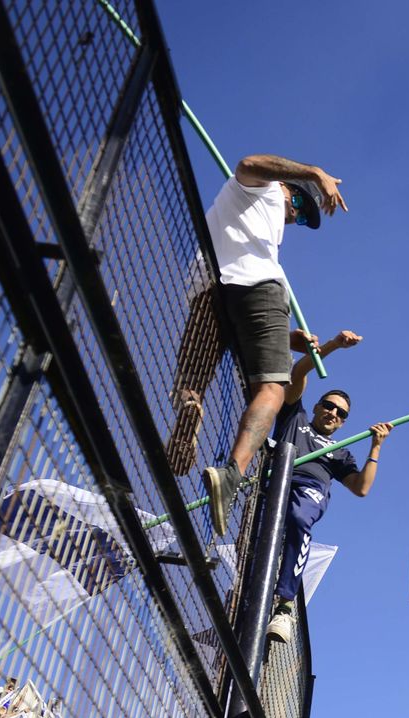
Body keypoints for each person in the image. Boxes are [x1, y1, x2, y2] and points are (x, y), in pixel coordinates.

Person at [168, 153, 347, 536]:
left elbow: (243, 328)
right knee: (272, 389)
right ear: (284, 186)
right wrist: (315, 171)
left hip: (210, 291)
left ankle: (188, 416)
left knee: (190, 383)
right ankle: (232, 474)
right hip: (259, 288)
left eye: (301, 217)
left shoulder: (254, 224)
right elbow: (250, 163)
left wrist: (288, 339)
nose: (296, 214)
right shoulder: (260, 188)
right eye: (298, 202)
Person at [266, 331, 391, 642]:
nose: (333, 413)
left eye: (341, 413)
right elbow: (299, 372)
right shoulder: (296, 418)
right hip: (274, 478)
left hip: (309, 488)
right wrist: (334, 345)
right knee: (259, 541)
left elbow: (361, 488)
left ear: (344, 422)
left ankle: (284, 607)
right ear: (318, 404)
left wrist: (376, 447)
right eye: (329, 406)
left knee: (298, 518)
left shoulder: (341, 451)